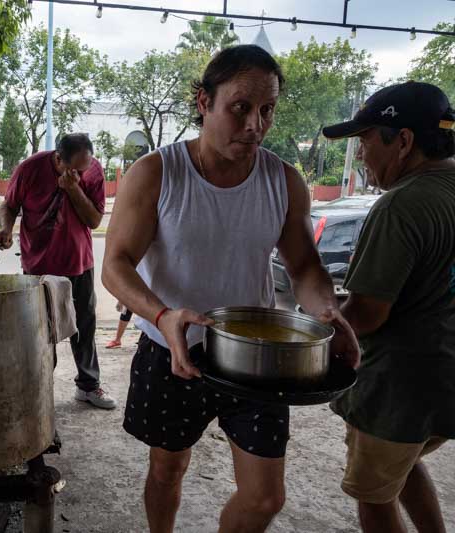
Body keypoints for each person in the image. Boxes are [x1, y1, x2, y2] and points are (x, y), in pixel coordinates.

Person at [102, 45, 360, 532]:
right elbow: (115, 266)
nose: (255, 125)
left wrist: (328, 312)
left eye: (267, 110)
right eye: (240, 107)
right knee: (167, 468)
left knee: (265, 498)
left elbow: (303, 265)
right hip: (171, 349)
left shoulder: (284, 181)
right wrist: (163, 316)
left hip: (258, 356)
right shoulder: (157, 173)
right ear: (204, 101)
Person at [322, 81, 455, 533]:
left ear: (403, 141)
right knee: (405, 463)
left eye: (364, 140)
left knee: (373, 495)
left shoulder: (401, 205)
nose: (360, 154)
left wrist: (322, 315)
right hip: (446, 382)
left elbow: (367, 314)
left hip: (399, 390)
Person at [0, 133, 116, 409]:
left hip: (79, 263)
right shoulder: (30, 169)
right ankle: (38, 388)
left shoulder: (93, 171)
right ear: (58, 158)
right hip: (39, 266)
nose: (81, 173)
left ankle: (88, 386)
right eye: (74, 169)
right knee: (40, 330)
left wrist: (74, 188)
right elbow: (9, 206)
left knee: (84, 326)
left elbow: (95, 220)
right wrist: (5, 228)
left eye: (85, 168)